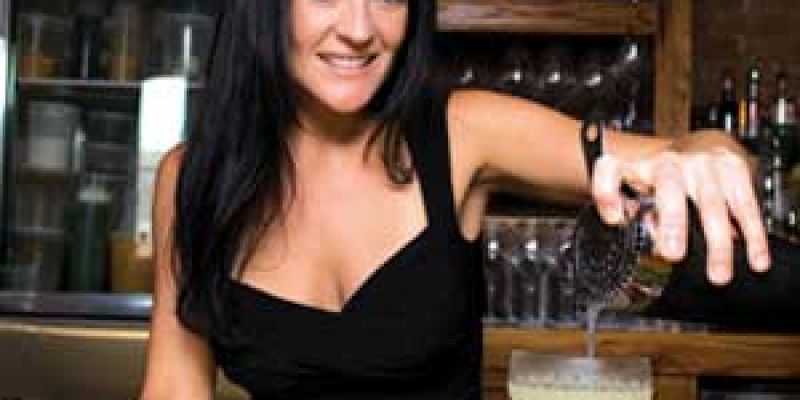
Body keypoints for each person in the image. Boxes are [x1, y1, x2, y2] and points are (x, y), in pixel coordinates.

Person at [139, 1, 770, 399]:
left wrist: (709, 156)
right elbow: (173, 387)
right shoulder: (192, 180)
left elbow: (686, 152)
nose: (359, 29)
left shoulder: (462, 135)